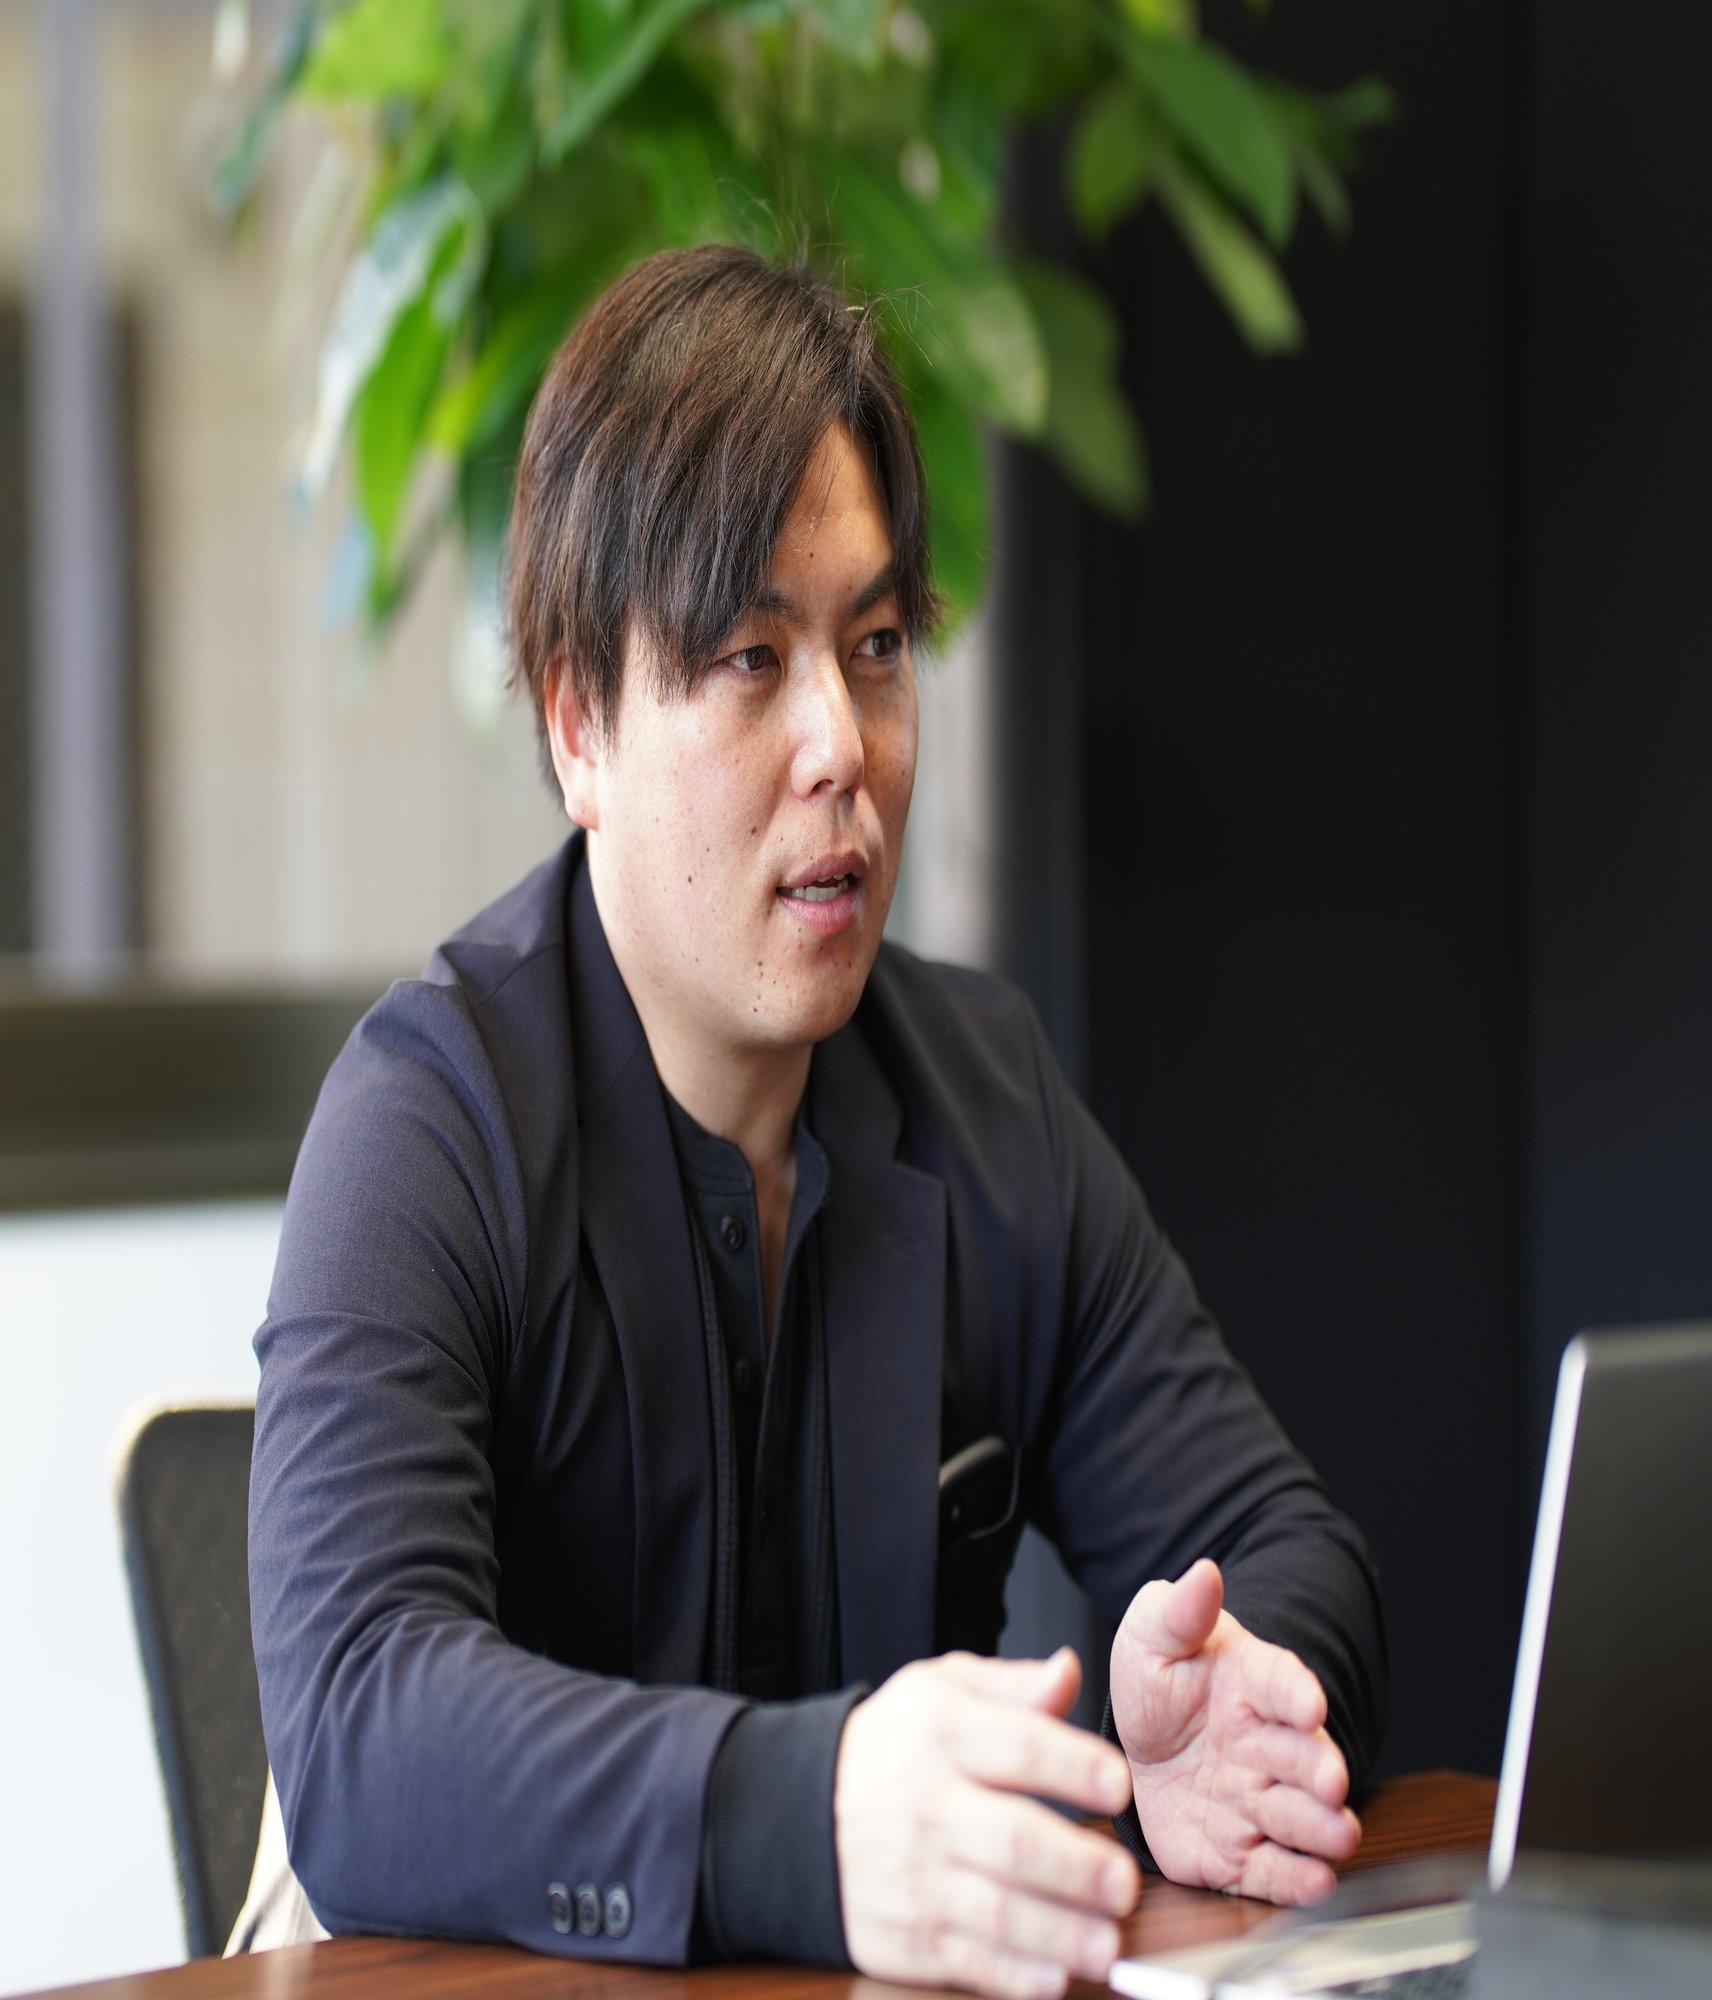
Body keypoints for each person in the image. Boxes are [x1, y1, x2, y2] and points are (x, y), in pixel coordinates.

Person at [239, 245, 1385, 1998]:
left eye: (874, 647)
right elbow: (357, 1725)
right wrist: (807, 1816)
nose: (841, 744)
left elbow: (1293, 1549)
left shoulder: (984, 1098)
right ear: (578, 724)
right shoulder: (427, 1127)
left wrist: (1234, 1709)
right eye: (751, 659)